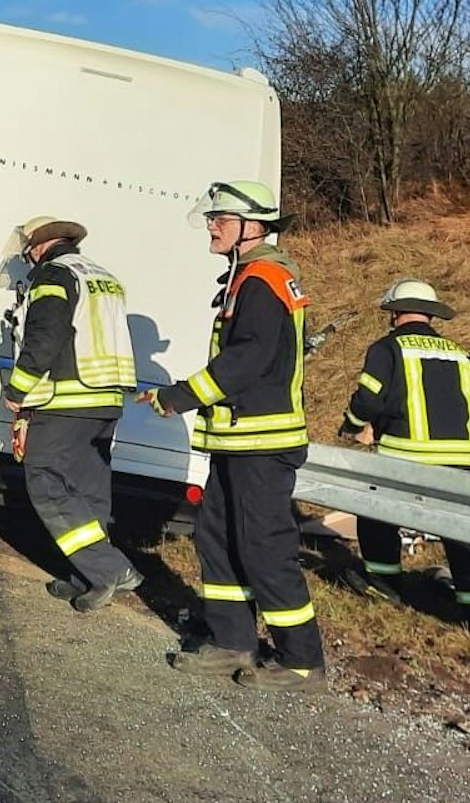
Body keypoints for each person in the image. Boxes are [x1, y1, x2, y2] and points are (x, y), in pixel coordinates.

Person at [141, 181, 326, 693]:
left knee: (265, 547)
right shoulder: (246, 277)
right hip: (237, 440)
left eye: (221, 218)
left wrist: (180, 396)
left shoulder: (263, 279)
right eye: (212, 217)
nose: (212, 225)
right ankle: (231, 642)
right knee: (216, 537)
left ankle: (303, 662)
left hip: (261, 443)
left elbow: (247, 359)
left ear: (253, 225)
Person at [342, 278, 470, 635]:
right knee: (466, 535)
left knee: (375, 516)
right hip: (464, 461)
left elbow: (368, 400)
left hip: (407, 459)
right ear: (431, 315)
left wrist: (353, 425)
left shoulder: (388, 349)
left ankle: (385, 588)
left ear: (394, 313)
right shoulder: (463, 354)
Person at [0, 216, 143, 612]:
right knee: (87, 491)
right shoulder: (102, 276)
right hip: (106, 399)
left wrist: (18, 389)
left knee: (45, 481)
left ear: (39, 246)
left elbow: (45, 336)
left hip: (67, 398)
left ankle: (111, 569)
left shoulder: (53, 276)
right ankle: (88, 577)